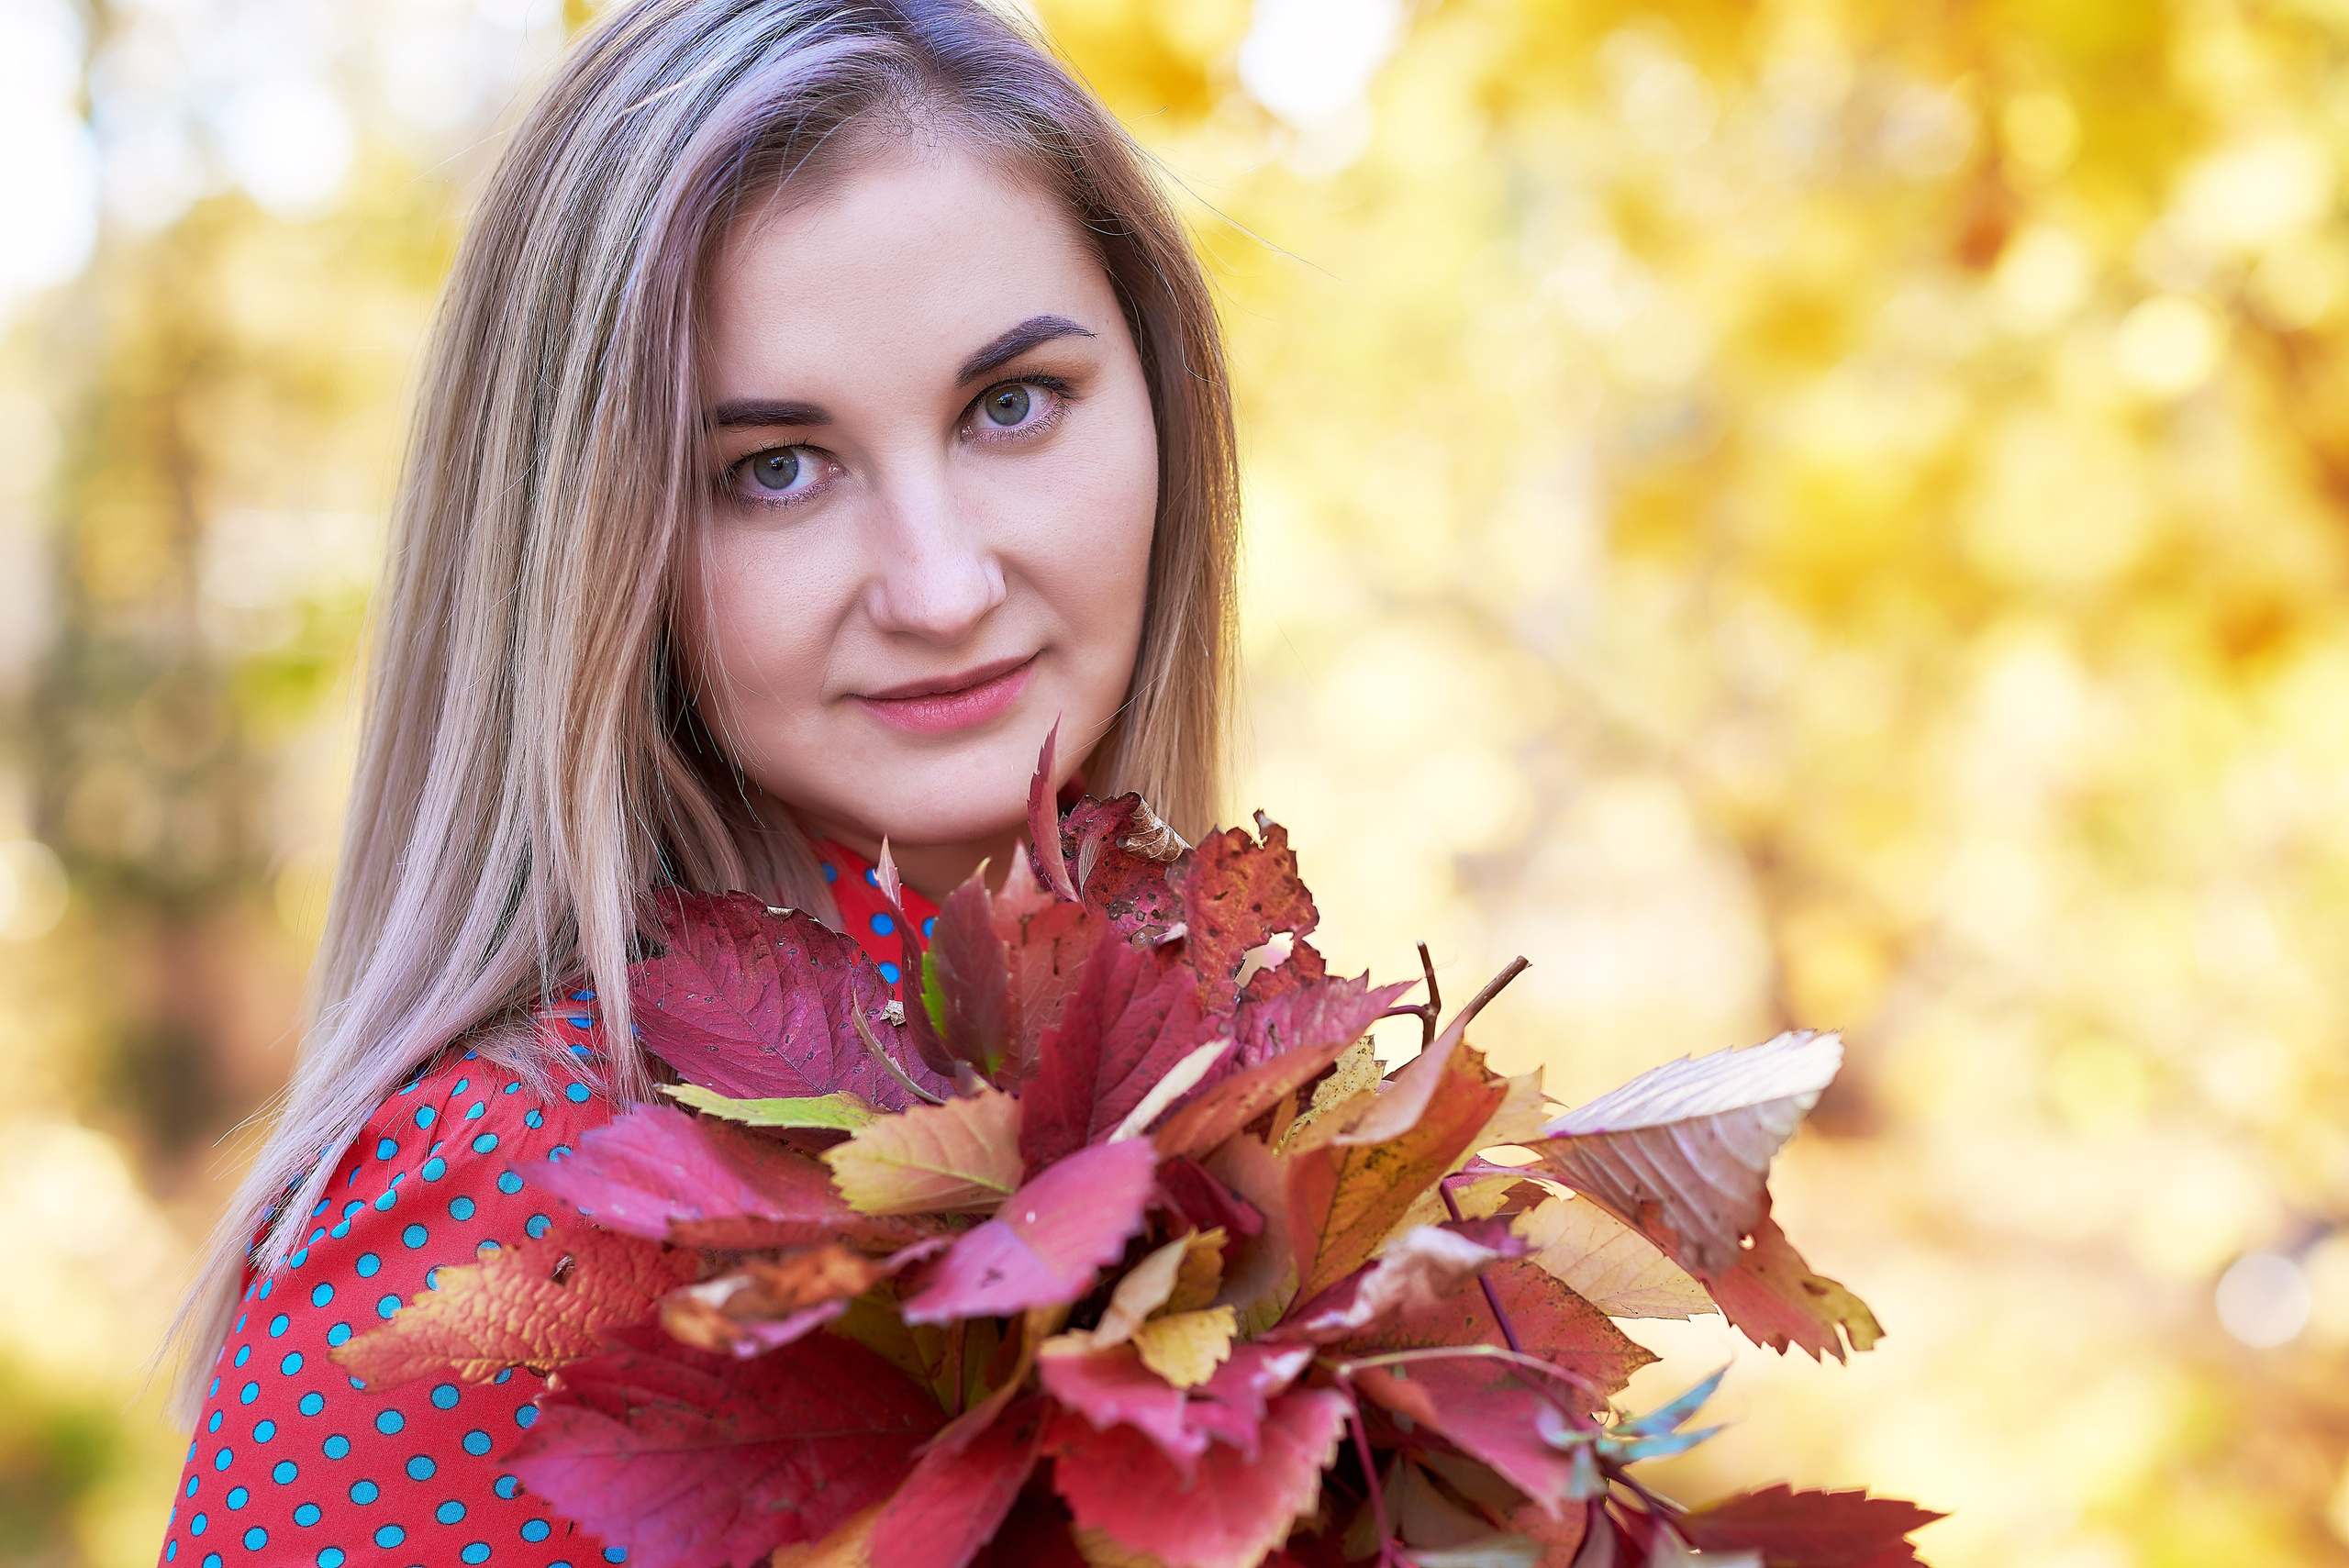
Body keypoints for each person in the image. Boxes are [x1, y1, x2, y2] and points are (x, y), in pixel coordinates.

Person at [156, 1, 1236, 1560]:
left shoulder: (1221, 1102)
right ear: (587, 550)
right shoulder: (516, 1196)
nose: (938, 588)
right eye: (771, 470)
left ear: (1161, 405)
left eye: (1010, 404)